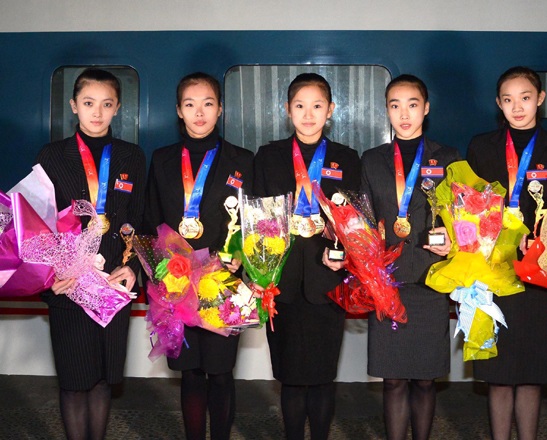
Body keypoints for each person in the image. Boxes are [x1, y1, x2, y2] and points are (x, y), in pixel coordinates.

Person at [466, 66, 547, 440]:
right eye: (508, 100)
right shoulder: (481, 147)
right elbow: (467, 208)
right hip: (492, 270)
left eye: (525, 98)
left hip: (540, 274)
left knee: (531, 372)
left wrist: (546, 242)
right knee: (497, 374)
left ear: (540, 99)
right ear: (498, 104)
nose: (517, 107)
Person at [143, 72, 254, 440]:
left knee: (220, 372)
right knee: (190, 373)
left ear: (220, 109)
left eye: (208, 103)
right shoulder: (162, 160)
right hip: (177, 284)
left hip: (224, 282)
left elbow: (254, 224)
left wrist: (241, 257)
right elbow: (150, 221)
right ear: (179, 110)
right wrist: (160, 272)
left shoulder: (243, 160)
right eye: (190, 105)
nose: (200, 112)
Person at [36, 68, 145, 439]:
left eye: (106, 104)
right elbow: (38, 225)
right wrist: (50, 276)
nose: (97, 112)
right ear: (73, 106)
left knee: (102, 380)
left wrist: (133, 269)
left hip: (112, 285)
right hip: (68, 285)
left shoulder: (131, 157)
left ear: (117, 108)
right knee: (73, 382)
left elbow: (139, 221)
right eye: (88, 103)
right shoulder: (52, 156)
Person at [252, 73, 360, 440]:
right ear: (287, 110)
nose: (308, 114)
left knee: (323, 377)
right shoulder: (268, 157)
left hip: (326, 282)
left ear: (330, 110)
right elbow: (255, 221)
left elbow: (356, 221)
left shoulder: (346, 158)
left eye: (317, 106)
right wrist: (258, 271)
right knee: (291, 378)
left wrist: (344, 254)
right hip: (281, 282)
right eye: (300, 106)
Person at [361, 74, 458, 440]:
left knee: (425, 380)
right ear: (386, 110)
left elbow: (463, 218)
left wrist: (454, 243)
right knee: (393, 379)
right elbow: (363, 220)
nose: (404, 114)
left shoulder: (448, 158)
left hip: (431, 279)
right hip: (387, 281)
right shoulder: (372, 160)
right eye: (395, 105)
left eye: (412, 105)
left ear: (426, 108)